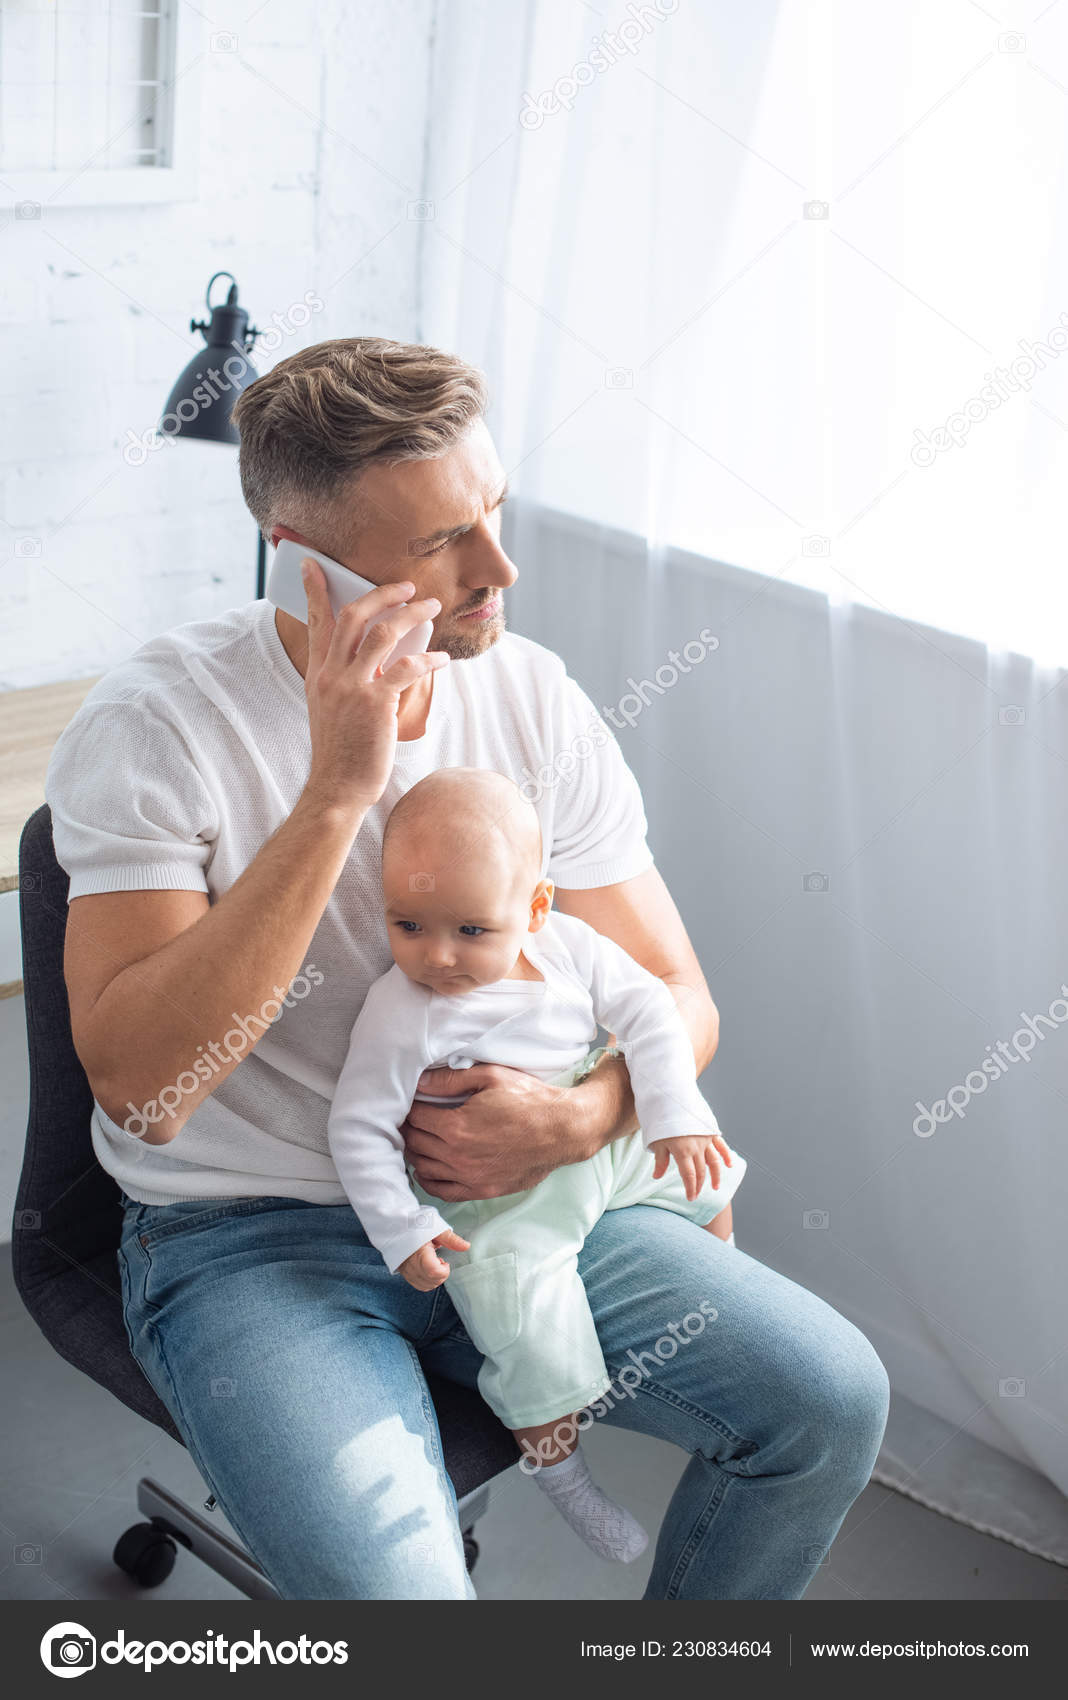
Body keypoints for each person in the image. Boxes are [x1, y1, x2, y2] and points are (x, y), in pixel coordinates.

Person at [45, 336, 889, 1600]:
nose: (498, 567)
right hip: (252, 1239)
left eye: (491, 510)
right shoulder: (157, 724)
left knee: (829, 1403)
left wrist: (578, 1114)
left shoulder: (536, 700)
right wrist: (339, 790)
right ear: (301, 555)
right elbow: (143, 1089)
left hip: (530, 1202)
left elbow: (681, 997)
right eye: (442, 543)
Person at [327, 765, 748, 1563]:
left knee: (711, 1168)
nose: (438, 956)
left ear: (536, 908)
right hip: (496, 1200)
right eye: (408, 925)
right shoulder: (401, 1008)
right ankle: (565, 1477)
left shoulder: (573, 949)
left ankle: (720, 1286)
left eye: (471, 931)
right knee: (527, 1332)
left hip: (601, 1141)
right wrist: (402, 1228)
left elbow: (653, 1012)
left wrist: (672, 1115)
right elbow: (358, 1126)